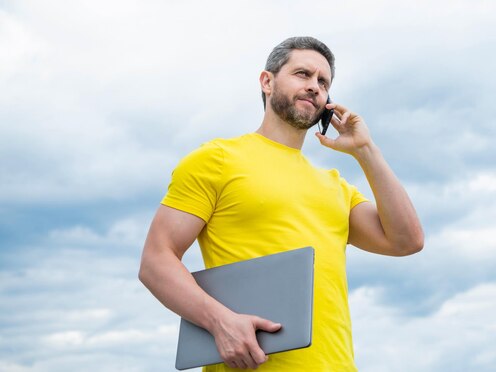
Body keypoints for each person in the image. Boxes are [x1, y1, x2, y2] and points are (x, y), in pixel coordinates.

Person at [139, 36, 424, 371]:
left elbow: (407, 241)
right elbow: (156, 262)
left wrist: (366, 150)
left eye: (323, 82)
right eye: (302, 74)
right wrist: (220, 322)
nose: (315, 87)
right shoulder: (217, 159)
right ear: (267, 81)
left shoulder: (335, 186)